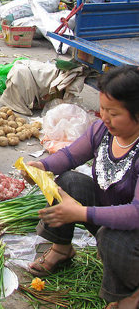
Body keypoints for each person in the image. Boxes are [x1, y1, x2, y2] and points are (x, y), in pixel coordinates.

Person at [25, 66, 139, 309]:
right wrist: (41, 166)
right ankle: (61, 250)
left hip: (133, 230)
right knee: (68, 182)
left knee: (112, 239)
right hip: (109, 215)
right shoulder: (102, 131)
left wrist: (81, 213)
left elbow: (135, 214)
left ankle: (129, 294)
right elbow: (68, 157)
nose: (104, 117)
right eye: (103, 109)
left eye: (114, 113)